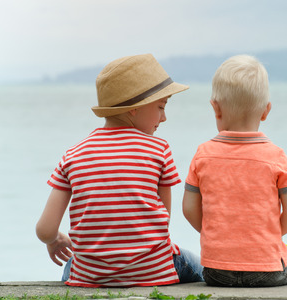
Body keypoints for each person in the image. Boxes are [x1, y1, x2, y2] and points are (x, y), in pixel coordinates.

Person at [36, 54, 203, 287]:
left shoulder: (72, 155)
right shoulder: (159, 149)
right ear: (134, 108)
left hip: (89, 275)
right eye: (161, 107)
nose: (164, 118)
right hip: (153, 271)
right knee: (204, 269)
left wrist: (54, 240)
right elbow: (162, 221)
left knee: (73, 265)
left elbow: (44, 230)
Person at [182, 55, 287, 287]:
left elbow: (189, 209)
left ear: (215, 108)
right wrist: (270, 237)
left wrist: (214, 233)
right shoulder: (275, 155)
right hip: (267, 271)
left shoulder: (203, 154)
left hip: (216, 271)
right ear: (266, 111)